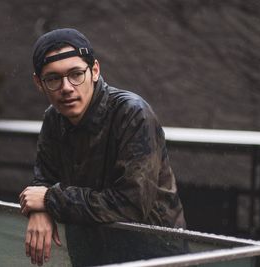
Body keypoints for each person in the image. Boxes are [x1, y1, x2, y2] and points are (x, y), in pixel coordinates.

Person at [19, 28, 186, 266]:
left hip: (153, 255)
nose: (66, 87)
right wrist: (39, 211)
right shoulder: (54, 118)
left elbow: (130, 205)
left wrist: (50, 201)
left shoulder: (132, 113)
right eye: (53, 79)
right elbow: (43, 180)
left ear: (94, 70)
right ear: (39, 83)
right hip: (91, 254)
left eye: (76, 74)